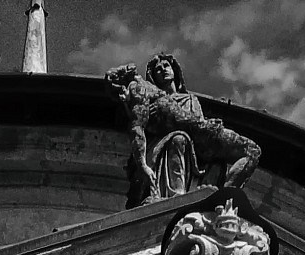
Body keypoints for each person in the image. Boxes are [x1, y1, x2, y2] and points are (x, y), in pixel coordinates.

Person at [107, 54, 261, 202]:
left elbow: (199, 125)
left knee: (246, 153)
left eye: (166, 66)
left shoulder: (190, 99)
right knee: (178, 139)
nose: (163, 70)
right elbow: (138, 128)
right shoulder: (146, 97)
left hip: (200, 138)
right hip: (167, 144)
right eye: (158, 70)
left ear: (175, 71)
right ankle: (176, 196)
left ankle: (224, 198)